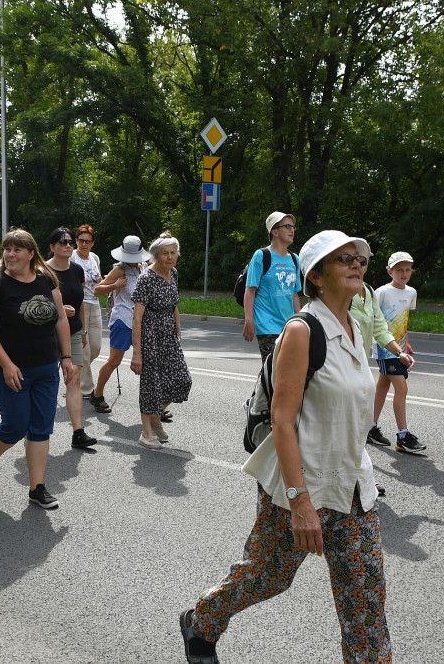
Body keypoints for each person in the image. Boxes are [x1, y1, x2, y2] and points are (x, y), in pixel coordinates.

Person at [180, 230, 391, 664]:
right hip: (301, 486)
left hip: (353, 487)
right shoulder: (302, 330)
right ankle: (201, 621)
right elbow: (281, 420)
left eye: (360, 259)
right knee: (266, 577)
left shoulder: (356, 325)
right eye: (343, 259)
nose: (356, 264)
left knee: (366, 603)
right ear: (315, 276)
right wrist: (299, 502)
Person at [0, 228, 75, 510]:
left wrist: (66, 356)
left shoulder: (46, 280)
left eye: (17, 249)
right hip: (12, 369)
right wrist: (6, 364)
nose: (10, 254)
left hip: (45, 367)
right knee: (15, 425)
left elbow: (60, 321)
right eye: (7, 249)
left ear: (32, 254)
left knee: (41, 427)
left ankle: (37, 487)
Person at [130, 232, 191, 449]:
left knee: (183, 380)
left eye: (173, 253)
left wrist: (178, 327)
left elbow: (174, 303)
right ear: (156, 255)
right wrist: (137, 353)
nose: (170, 257)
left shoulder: (173, 273)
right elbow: (136, 318)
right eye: (165, 253)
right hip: (150, 336)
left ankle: (155, 417)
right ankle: (146, 433)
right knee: (151, 384)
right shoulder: (146, 278)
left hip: (169, 335)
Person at [370, 251, 426, 454]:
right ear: (389, 271)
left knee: (383, 385)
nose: (404, 273)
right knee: (401, 388)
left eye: (407, 269)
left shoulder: (411, 292)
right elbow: (373, 320)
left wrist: (406, 343)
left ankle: (370, 427)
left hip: (399, 348)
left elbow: (404, 321)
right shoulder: (382, 292)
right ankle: (403, 435)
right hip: (385, 349)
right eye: (399, 270)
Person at [46, 227, 97, 448]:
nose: (67, 245)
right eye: (62, 242)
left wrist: (84, 331)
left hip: (74, 331)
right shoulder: (42, 271)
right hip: (46, 333)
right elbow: (33, 302)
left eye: (69, 242)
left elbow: (81, 302)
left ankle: (78, 432)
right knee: (47, 381)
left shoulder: (77, 270)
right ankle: (39, 432)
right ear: (52, 247)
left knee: (73, 379)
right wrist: (56, 310)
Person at [88, 235, 148, 414]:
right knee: (114, 361)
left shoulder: (143, 267)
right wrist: (115, 285)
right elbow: (97, 290)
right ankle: (97, 395)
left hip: (142, 321)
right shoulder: (119, 270)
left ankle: (154, 405)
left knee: (149, 362)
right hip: (123, 319)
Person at [242, 212, 302, 361]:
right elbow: (250, 290)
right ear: (274, 232)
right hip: (267, 325)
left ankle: (261, 385)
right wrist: (249, 320)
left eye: (293, 227)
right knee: (274, 371)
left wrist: (301, 319)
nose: (292, 230)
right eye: (287, 226)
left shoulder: (295, 259)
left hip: (289, 326)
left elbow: (294, 294)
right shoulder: (262, 255)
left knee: (286, 372)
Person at [70, 224, 103, 397]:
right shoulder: (72, 258)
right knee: (84, 349)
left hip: (95, 304)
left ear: (92, 243)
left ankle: (77, 372)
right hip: (79, 306)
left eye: (87, 241)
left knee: (96, 347)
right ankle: (88, 389)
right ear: (76, 241)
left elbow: (100, 280)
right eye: (81, 240)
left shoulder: (95, 258)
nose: (84, 244)